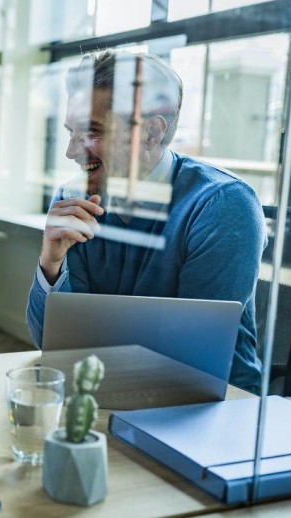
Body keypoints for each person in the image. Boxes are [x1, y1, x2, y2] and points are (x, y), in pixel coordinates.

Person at [26, 50, 266, 393]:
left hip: (212, 406)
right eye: (71, 132)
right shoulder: (74, 200)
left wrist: (89, 341)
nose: (70, 152)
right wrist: (50, 263)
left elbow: (189, 359)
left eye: (91, 131)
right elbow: (51, 344)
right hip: (106, 391)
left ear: (151, 134)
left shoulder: (222, 206)